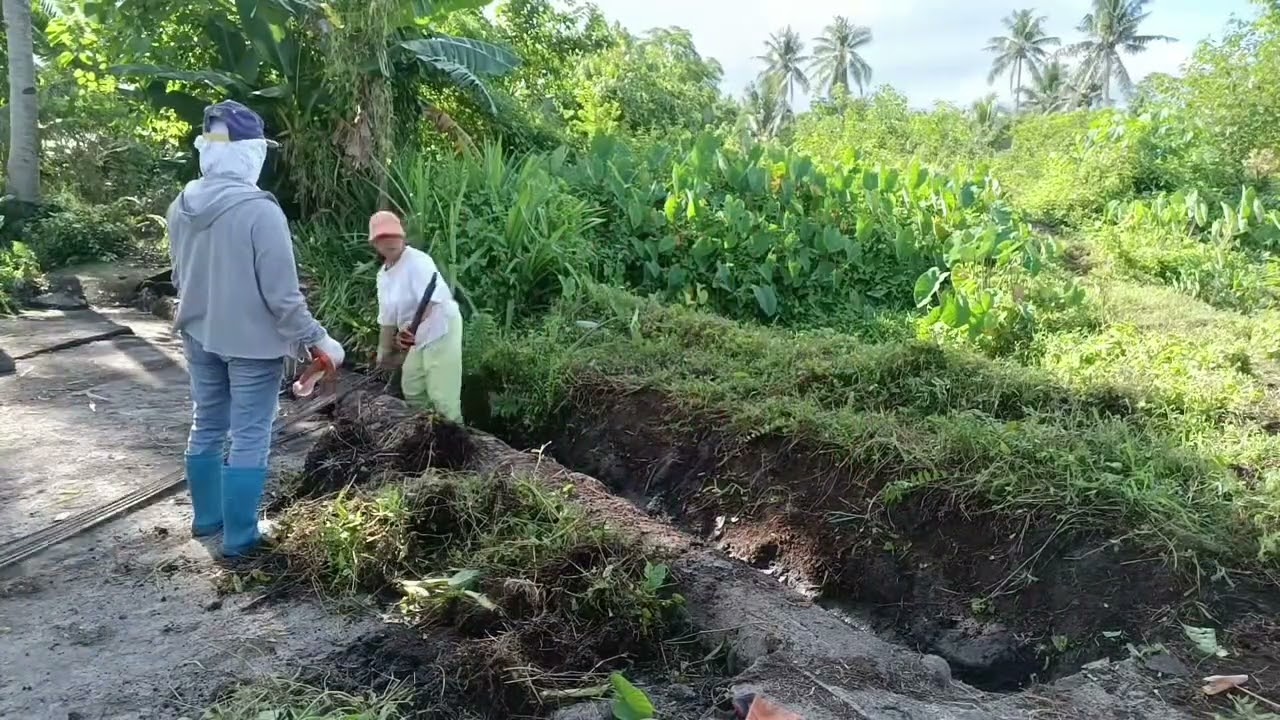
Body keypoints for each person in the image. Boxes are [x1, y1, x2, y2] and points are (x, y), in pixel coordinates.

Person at [168, 100, 345, 558]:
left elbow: (178, 276)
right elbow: (283, 298)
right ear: (250, 154)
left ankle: (207, 520)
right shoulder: (260, 212)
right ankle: (240, 537)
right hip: (250, 343)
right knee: (249, 433)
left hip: (197, 331)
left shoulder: (181, 204)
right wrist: (318, 340)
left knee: (206, 421)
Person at [369, 210, 464, 423]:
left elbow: (430, 302)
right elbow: (387, 317)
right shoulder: (383, 276)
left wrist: (410, 332)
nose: (390, 241)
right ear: (375, 244)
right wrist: (383, 352)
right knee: (412, 387)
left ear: (402, 237)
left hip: (440, 326)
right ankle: (426, 431)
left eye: (394, 235)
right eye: (383, 238)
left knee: (442, 395)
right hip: (418, 334)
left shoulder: (418, 261)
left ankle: (455, 440)